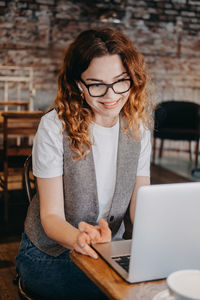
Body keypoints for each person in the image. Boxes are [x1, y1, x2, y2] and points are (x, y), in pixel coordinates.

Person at [16, 27, 153, 300]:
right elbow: (51, 218)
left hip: (111, 250)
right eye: (96, 84)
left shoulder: (138, 129)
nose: (110, 94)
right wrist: (79, 239)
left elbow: (140, 207)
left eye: (120, 81)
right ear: (78, 84)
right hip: (52, 252)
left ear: (132, 78)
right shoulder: (54, 127)